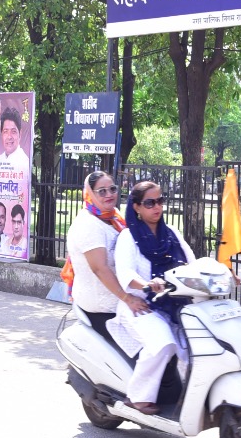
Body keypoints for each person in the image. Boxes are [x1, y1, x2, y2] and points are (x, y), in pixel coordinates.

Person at [114, 181, 195, 413]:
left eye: (160, 200)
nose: (157, 207)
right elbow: (125, 273)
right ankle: (137, 397)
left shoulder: (172, 234)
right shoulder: (128, 238)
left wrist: (222, 273)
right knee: (163, 344)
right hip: (140, 306)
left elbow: (192, 264)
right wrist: (147, 285)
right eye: (150, 203)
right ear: (137, 207)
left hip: (175, 306)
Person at [65, 171, 145, 337]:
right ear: (89, 194)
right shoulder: (88, 224)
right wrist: (128, 299)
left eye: (112, 189)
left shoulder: (113, 217)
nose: (109, 195)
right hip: (103, 307)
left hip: (122, 302)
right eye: (101, 191)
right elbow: (100, 268)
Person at [0, 106, 31, 183]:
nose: (9, 136)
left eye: (13, 131)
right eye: (5, 131)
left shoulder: (25, 163)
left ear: (20, 134)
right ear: (1, 134)